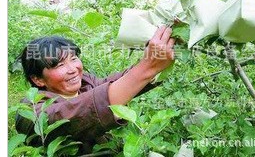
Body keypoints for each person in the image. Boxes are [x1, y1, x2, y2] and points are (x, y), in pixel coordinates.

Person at [16, 26, 175, 154]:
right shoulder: (30, 113)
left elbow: (117, 83)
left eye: (73, 59)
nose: (72, 69)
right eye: (60, 65)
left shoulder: (86, 82)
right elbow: (78, 112)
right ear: (37, 79)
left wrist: (155, 64)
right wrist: (147, 68)